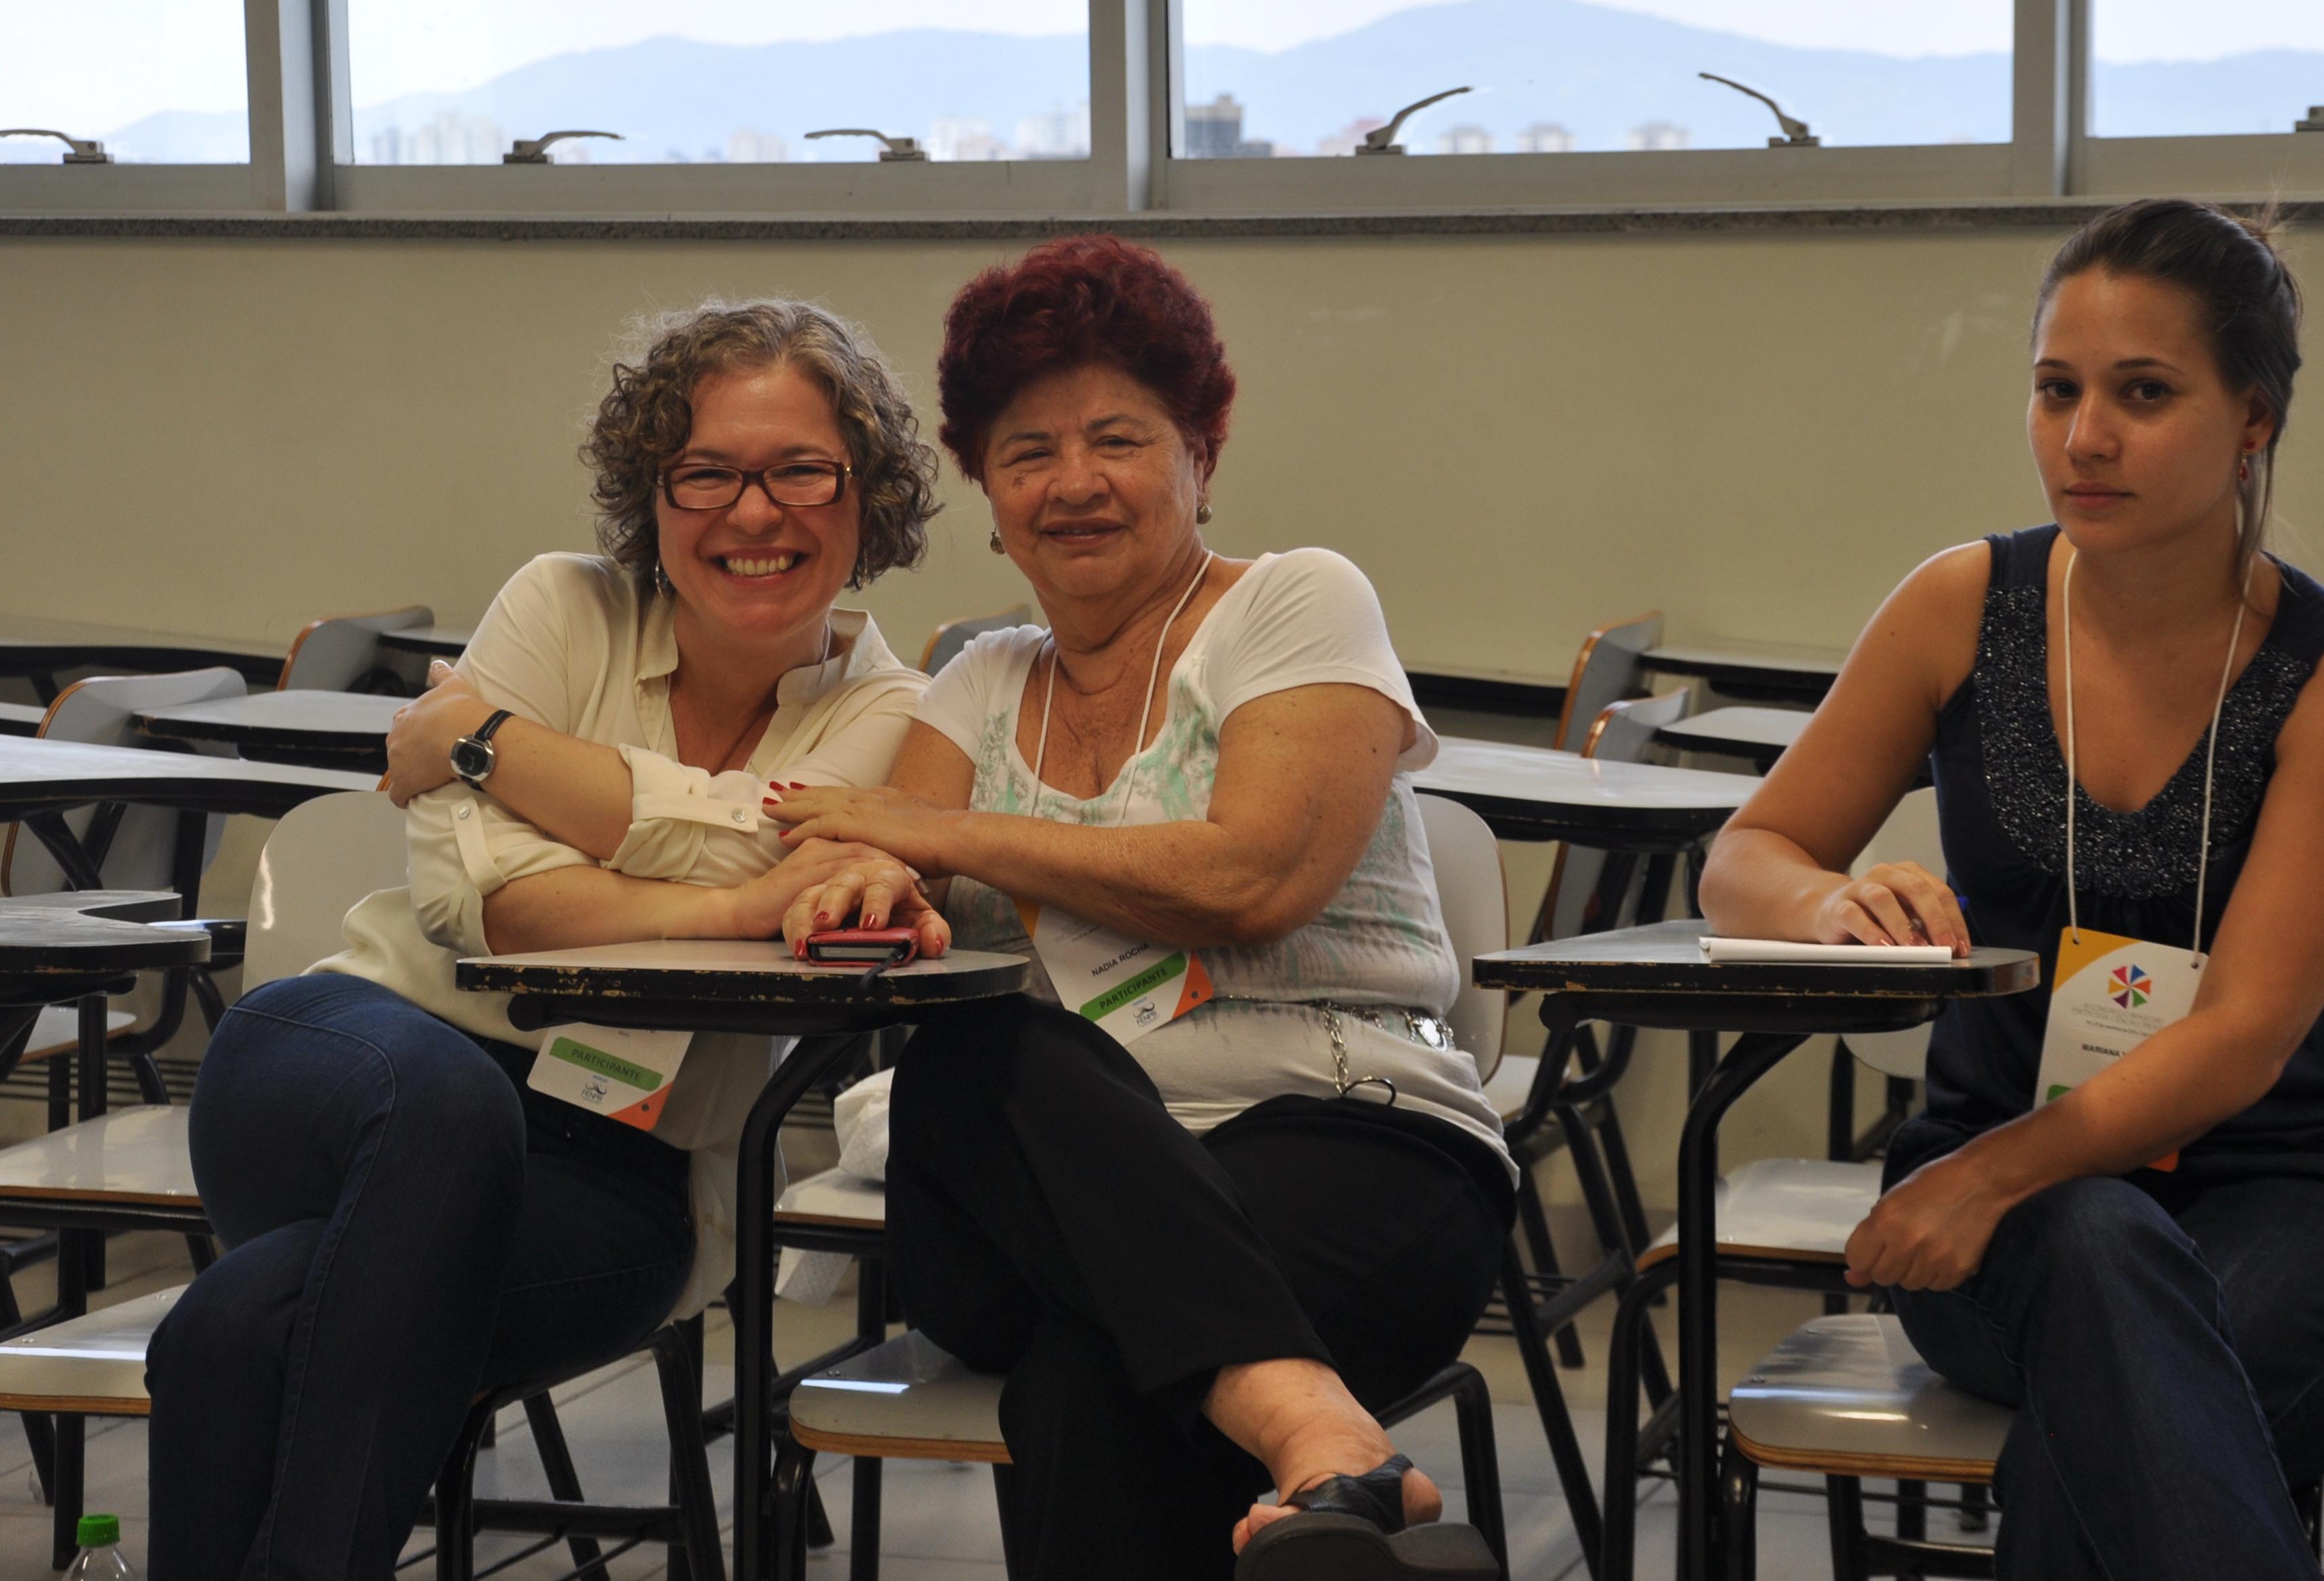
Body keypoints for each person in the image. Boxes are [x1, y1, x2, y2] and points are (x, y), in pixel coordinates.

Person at [1698, 199, 2324, 1579]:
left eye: (2143, 393)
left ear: (2253, 418)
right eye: (2057, 390)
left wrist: (1982, 1177)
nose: (2084, 437)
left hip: (2305, 1188)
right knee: (2106, 1271)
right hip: (2018, 1206)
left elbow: (2240, 1036)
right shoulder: (1960, 606)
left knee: (2101, 1424)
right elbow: (1746, 854)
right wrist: (1827, 904)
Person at [145, 300, 939, 1580]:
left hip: (618, 1169)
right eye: (706, 473)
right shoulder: (560, 606)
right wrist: (726, 900)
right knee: (447, 1103)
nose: (754, 514)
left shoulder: (903, 712)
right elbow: (479, 897)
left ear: (869, 492)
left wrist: (497, 745)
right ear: (651, 492)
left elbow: (754, 855)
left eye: (802, 471)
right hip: (352, 1048)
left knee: (241, 1320)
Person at [765, 235, 1514, 1580]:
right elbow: (882, 878)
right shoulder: (978, 680)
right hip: (1021, 1205)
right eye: (1027, 451)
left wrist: (934, 833)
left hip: (1349, 1135)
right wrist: (866, 881)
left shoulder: (1294, 604)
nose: (1073, 482)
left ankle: (1314, 1464)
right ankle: (1322, 1432)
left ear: (1200, 456)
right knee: (980, 1048)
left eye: (1116, 438)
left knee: (1092, 1390)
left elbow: (1252, 879)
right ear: (989, 492)